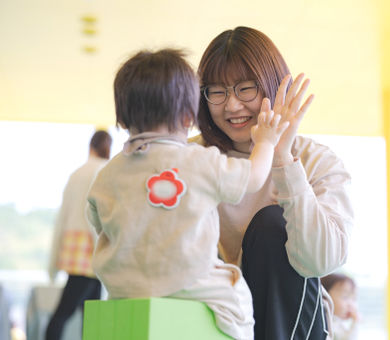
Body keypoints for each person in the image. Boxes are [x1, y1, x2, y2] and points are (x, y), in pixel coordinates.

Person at [85, 48, 289, 340]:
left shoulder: (108, 174)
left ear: (123, 119)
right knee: (239, 295)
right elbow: (254, 177)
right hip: (190, 281)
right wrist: (266, 141)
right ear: (187, 116)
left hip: (123, 288)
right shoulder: (198, 160)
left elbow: (96, 219)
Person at [191, 26, 354, 340]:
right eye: (217, 91)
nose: (232, 106)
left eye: (245, 88)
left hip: (293, 326)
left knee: (272, 224)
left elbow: (320, 260)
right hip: (213, 321)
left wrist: (281, 157)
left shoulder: (315, 160)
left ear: (272, 86)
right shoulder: (192, 158)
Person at [46, 130, 112, 340]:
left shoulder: (76, 173)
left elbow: (62, 218)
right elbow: (98, 216)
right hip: (93, 249)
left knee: (85, 314)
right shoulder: (104, 171)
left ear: (91, 147)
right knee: (72, 313)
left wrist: (52, 263)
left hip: (74, 248)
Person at [321, 273, 359, 340]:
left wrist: (354, 323)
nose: (351, 304)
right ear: (325, 297)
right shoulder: (327, 324)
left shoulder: (338, 323)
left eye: (354, 299)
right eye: (345, 297)